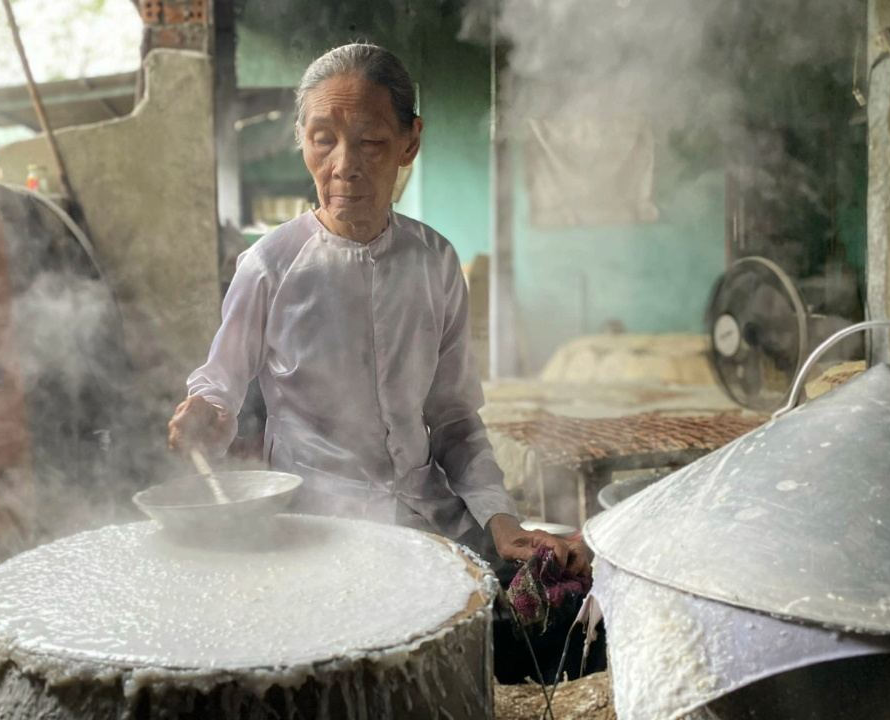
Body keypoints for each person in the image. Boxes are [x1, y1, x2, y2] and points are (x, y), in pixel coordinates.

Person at [168, 43, 587, 575]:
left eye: (370, 142)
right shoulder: (269, 265)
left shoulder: (435, 262)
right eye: (324, 140)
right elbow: (218, 386)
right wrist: (206, 412)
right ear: (302, 141)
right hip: (313, 528)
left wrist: (500, 519)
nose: (345, 167)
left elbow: (455, 421)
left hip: (424, 517)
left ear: (410, 142)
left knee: (552, 591)